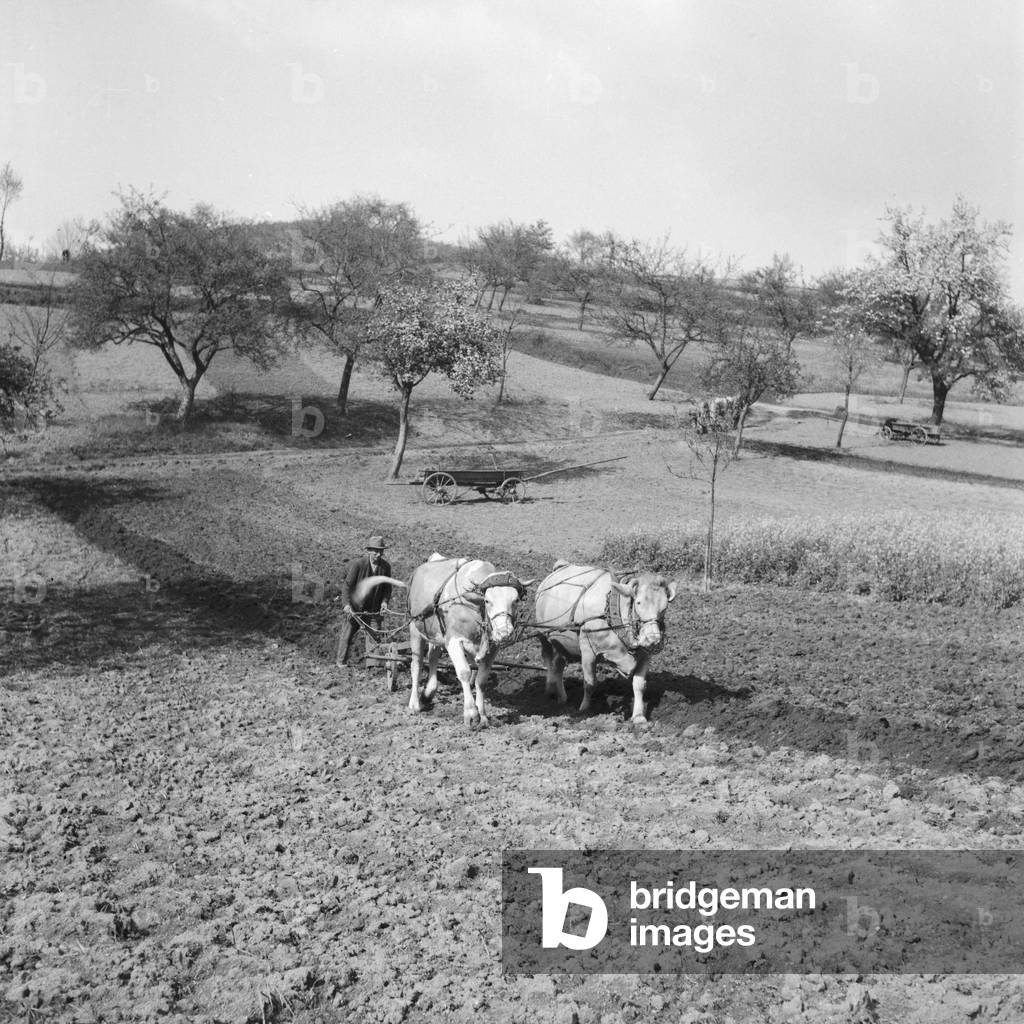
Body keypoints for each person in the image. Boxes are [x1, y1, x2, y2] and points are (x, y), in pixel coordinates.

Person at [336, 536, 393, 669]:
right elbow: (347, 586)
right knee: (347, 635)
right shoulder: (358, 565)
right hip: (356, 609)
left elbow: (387, 589)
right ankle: (341, 662)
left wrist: (384, 602)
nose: (378, 555)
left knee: (374, 638)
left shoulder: (385, 567)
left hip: (373, 610)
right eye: (375, 551)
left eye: (381, 551)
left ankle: (372, 666)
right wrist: (346, 605)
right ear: (369, 551)